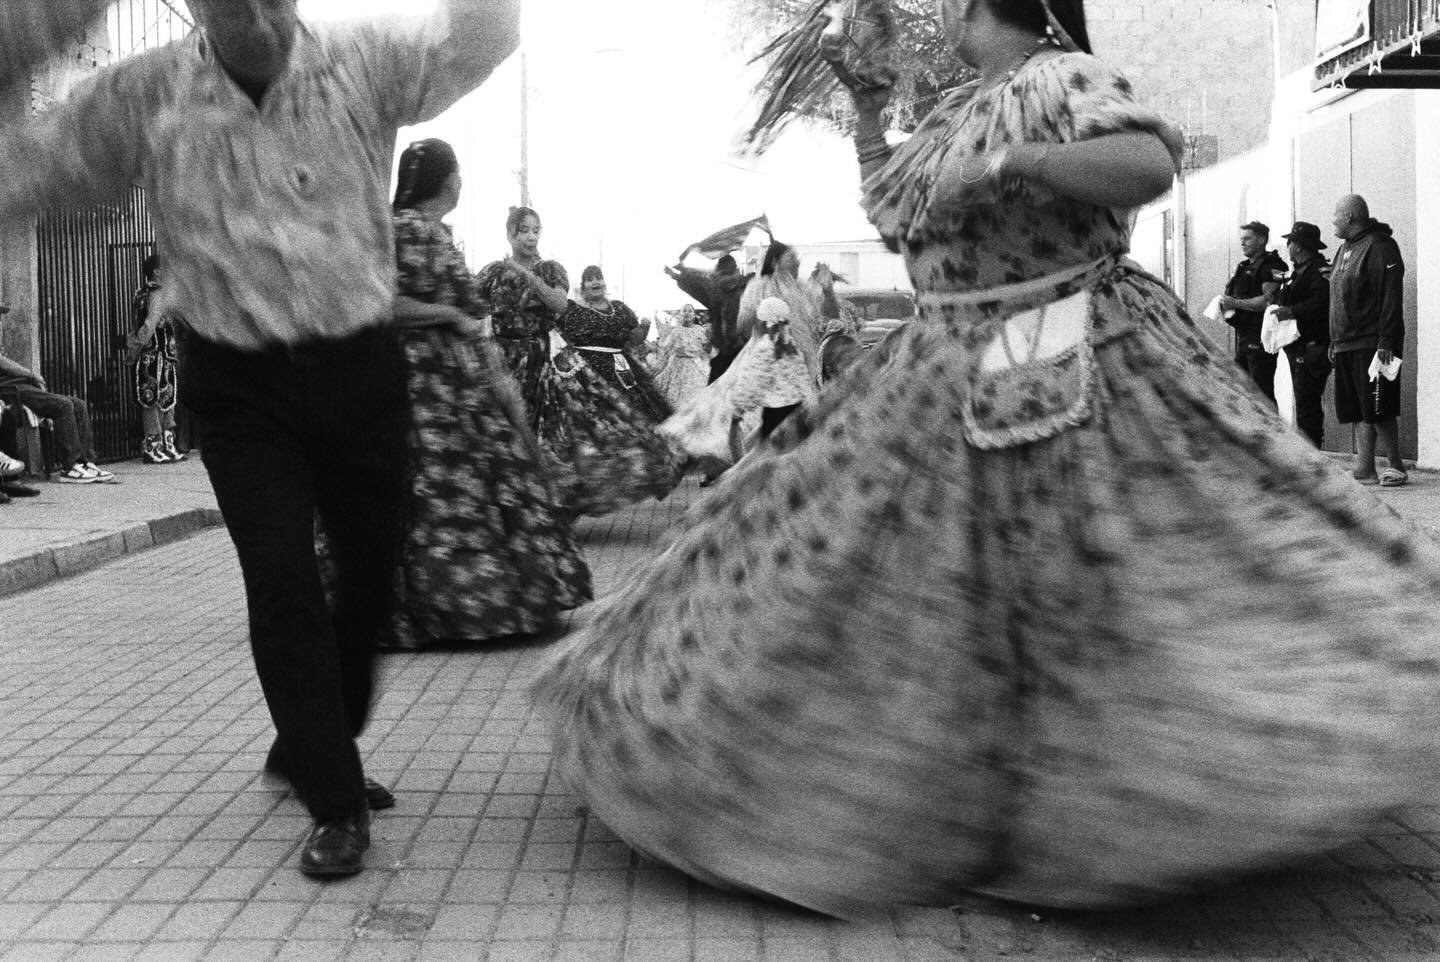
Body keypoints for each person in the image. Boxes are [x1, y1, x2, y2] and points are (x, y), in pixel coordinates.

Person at [534, 0, 1440, 916]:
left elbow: (1146, 164)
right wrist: (867, 110)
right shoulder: (958, 105)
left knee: (1087, 567)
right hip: (943, 361)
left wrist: (1016, 159)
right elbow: (897, 218)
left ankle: (1112, 790)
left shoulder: (1059, 76)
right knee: (878, 567)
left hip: (1068, 341)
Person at [0, 0, 521, 877]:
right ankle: (335, 796)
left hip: (357, 367)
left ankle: (312, 734)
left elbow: (484, 35)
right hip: (239, 383)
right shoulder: (147, 91)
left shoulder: (364, 61)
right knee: (281, 579)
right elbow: (33, 175)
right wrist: (22, 40)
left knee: (368, 576)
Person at [384, 139, 591, 647]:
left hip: (447, 379)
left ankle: (437, 601)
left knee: (437, 486)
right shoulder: (407, 230)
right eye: (456, 173)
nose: (460, 183)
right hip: (427, 382)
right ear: (443, 180)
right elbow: (384, 303)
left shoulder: (418, 230)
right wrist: (450, 316)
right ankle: (458, 603)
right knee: (445, 483)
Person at [1329, 194, 1407, 486]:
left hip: (1373, 343)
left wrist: (1387, 340)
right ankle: (1365, 468)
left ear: (1350, 217)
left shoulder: (1380, 246)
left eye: (1336, 214)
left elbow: (1390, 296)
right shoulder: (1343, 250)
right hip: (1346, 343)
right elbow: (1336, 298)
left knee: (1378, 407)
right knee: (1360, 410)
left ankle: (1396, 465)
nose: (1332, 220)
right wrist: (1333, 341)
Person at [476, 207, 572, 419]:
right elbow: (469, 306)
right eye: (524, 231)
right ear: (510, 234)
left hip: (538, 358)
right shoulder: (493, 272)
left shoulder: (550, 270)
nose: (531, 237)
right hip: (501, 358)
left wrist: (528, 276)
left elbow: (560, 305)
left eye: (536, 231)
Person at [558, 266, 671, 422]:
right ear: (583, 287)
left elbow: (635, 339)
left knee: (636, 410)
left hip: (620, 366)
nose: (595, 281)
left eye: (598, 277)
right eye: (589, 279)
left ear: (604, 283)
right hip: (588, 368)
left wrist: (644, 327)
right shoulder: (574, 309)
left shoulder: (620, 308)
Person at [0, 352, 114, 484]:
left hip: (23, 385)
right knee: (63, 405)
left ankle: (85, 461)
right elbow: (5, 364)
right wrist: (31, 375)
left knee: (79, 405)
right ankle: (70, 466)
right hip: (12, 388)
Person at [1270, 221, 1331, 448]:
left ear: (1299, 246)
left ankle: (1314, 453)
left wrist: (1292, 311)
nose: (1288, 246)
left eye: (1291, 242)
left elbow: (1321, 303)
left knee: (1308, 405)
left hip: (1313, 347)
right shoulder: (1296, 273)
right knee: (1304, 402)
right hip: (1297, 347)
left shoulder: (1318, 271)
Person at [126, 254, 184, 464]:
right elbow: (149, 324)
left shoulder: (142, 293)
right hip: (155, 353)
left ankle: (166, 443)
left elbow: (135, 324)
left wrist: (134, 347)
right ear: (157, 272)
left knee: (165, 397)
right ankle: (153, 445)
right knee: (152, 397)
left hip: (158, 353)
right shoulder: (156, 293)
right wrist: (136, 348)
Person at [1220, 221, 1287, 404]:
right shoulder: (1243, 267)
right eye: (1241, 239)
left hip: (1260, 338)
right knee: (1240, 391)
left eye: (1247, 239)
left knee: (1261, 392)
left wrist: (1236, 303)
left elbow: (1268, 301)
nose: (1243, 243)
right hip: (1243, 337)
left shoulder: (1272, 266)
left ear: (1262, 239)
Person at [665, 253, 752, 383]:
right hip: (737, 342)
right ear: (734, 268)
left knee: (719, 379)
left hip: (724, 342)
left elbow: (696, 280)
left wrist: (678, 274)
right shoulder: (741, 284)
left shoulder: (713, 285)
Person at [650, 305, 712, 408]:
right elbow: (666, 346)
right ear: (681, 314)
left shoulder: (700, 330)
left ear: (694, 315)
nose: (687, 313)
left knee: (698, 392)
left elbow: (707, 348)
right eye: (684, 311)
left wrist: (709, 342)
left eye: (690, 311)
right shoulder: (676, 331)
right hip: (678, 365)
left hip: (696, 365)